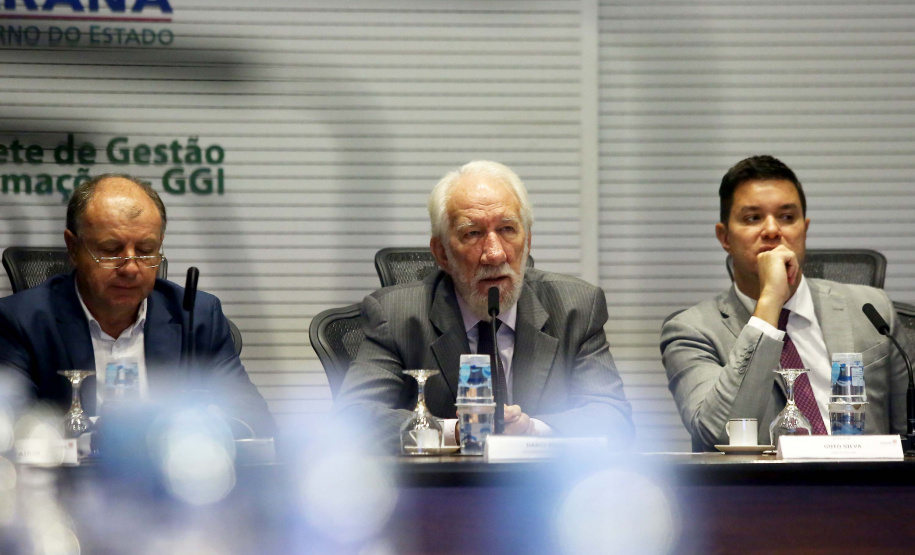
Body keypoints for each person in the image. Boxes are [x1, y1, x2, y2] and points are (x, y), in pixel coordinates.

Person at [335, 160, 634, 452]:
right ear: (441, 253)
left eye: (507, 229)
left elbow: (613, 419)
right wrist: (456, 431)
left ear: (527, 241)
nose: (494, 254)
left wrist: (533, 430)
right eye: (472, 233)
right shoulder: (397, 317)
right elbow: (352, 419)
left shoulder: (575, 308)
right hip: (442, 493)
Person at [661, 155, 909, 450]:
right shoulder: (692, 330)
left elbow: (909, 433)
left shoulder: (871, 309)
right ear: (724, 237)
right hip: (766, 493)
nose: (772, 230)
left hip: (870, 488)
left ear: (804, 229)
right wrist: (770, 302)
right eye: (753, 218)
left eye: (787, 217)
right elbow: (719, 435)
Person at [0, 174, 275, 437]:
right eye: (110, 250)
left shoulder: (197, 316)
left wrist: (208, 429)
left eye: (145, 250)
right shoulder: (21, 322)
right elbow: (9, 426)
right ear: (73, 248)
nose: (131, 268)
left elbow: (252, 419)